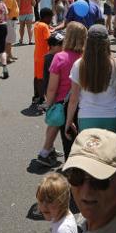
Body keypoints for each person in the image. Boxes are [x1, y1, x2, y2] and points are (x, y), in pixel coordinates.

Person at [37, 22, 86, 168]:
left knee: (56, 126)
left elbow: (52, 88)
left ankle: (46, 152)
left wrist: (49, 103)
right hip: (82, 103)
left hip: (62, 102)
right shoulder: (85, 58)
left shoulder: (59, 57)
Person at [66, 24, 116, 136]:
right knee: (110, 152)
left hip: (87, 117)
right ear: (107, 43)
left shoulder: (79, 65)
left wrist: (69, 122)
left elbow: (74, 99)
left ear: (87, 42)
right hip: (112, 117)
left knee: (89, 153)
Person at [32, 8, 54, 108]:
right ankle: (41, 98)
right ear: (46, 17)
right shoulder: (44, 26)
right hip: (44, 56)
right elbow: (49, 40)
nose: (51, 20)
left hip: (37, 54)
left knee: (37, 76)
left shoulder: (37, 24)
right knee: (42, 78)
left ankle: (36, 95)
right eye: (51, 18)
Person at [3, 0, 20, 64]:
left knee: (9, 39)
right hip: (10, 20)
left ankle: (10, 55)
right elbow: (8, 10)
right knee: (9, 40)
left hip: (11, 20)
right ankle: (7, 57)